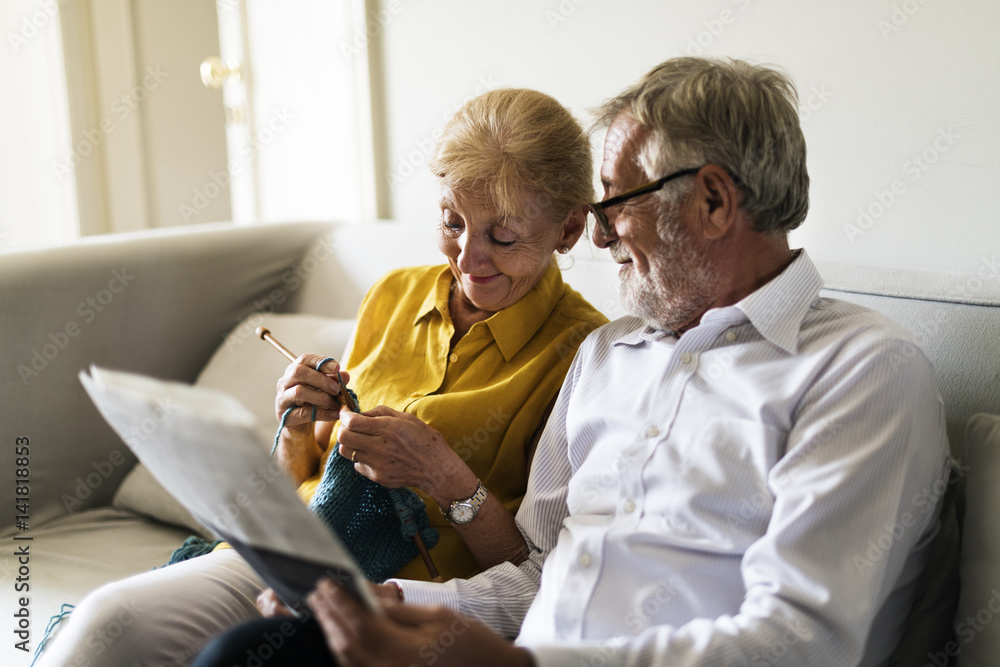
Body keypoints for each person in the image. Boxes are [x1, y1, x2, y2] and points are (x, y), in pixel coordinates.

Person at [199, 57, 954, 666]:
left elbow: (802, 643)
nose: (595, 238)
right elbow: (538, 571)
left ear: (715, 202)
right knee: (252, 652)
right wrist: (393, 604)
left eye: (614, 204)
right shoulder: (610, 354)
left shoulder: (862, 373)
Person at [36, 88, 608, 666]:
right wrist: (295, 427)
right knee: (109, 624)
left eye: (502, 237)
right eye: (451, 221)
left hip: (399, 607)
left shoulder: (587, 353)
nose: (466, 257)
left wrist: (445, 476)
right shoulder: (394, 294)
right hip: (288, 559)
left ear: (568, 230)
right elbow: (297, 480)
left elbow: (542, 576)